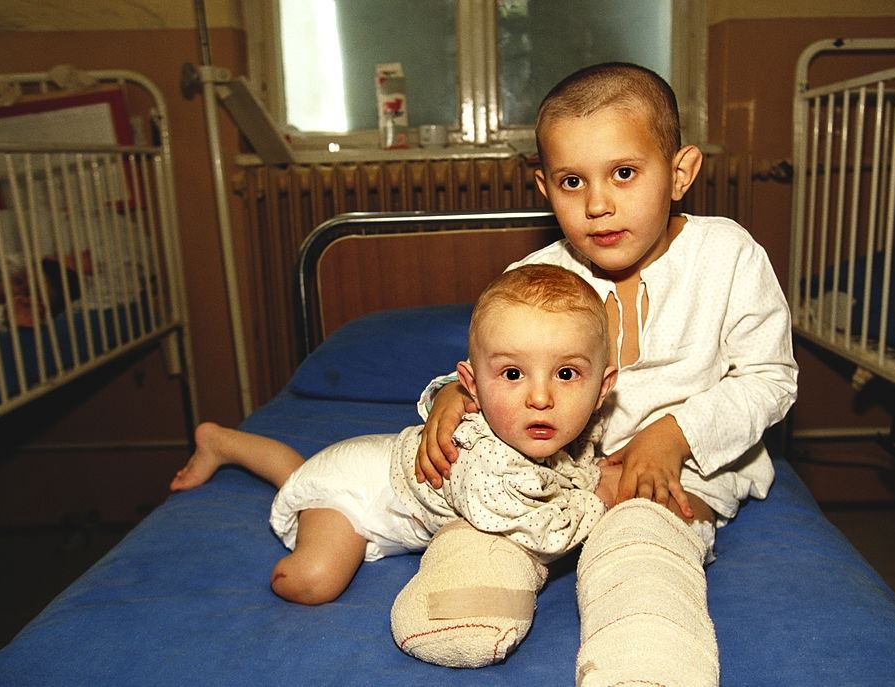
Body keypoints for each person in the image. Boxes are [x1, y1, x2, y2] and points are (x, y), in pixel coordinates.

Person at [418, 61, 798, 541]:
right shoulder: (536, 276)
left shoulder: (727, 255)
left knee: (646, 534)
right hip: (558, 467)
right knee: (481, 524)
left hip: (693, 465)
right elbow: (499, 367)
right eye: (572, 182)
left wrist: (674, 435)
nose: (597, 205)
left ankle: (639, 600)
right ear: (545, 188)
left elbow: (770, 379)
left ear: (680, 173)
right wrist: (455, 395)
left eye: (623, 173)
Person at [170, 263, 619, 605]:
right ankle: (226, 448)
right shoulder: (483, 460)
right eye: (513, 373)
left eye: (565, 373)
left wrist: (593, 472)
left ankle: (220, 441)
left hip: (380, 457)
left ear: (602, 388)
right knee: (313, 580)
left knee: (300, 472)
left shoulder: (565, 429)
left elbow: (574, 469)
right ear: (472, 385)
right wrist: (601, 498)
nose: (539, 397)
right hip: (360, 492)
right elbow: (539, 535)